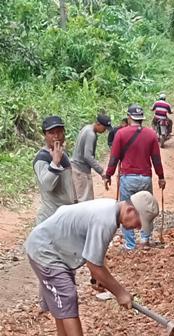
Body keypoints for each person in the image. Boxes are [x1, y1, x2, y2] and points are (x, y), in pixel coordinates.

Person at [25, 190, 159, 336]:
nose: (138, 227)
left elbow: (95, 255)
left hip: (56, 249)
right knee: (67, 297)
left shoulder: (110, 210)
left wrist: (97, 277)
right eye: (139, 222)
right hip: (45, 249)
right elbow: (94, 265)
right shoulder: (105, 220)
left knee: (63, 304)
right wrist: (120, 293)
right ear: (130, 210)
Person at [105, 104, 166, 250]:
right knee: (145, 208)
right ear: (142, 119)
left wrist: (108, 175)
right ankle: (145, 239)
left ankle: (130, 244)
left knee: (127, 210)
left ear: (129, 117)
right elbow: (156, 159)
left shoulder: (121, 134)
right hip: (145, 177)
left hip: (128, 177)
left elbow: (114, 158)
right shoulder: (151, 134)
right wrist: (161, 177)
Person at [33, 116, 76, 224]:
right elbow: (47, 185)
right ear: (45, 135)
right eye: (51, 133)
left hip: (66, 215)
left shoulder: (63, 155)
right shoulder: (42, 158)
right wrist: (55, 163)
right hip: (50, 218)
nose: (56, 136)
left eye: (59, 132)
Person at [71, 114, 111, 202]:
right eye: (104, 128)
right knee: (85, 201)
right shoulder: (91, 134)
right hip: (80, 171)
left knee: (77, 198)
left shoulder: (87, 128)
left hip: (75, 168)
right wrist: (101, 171)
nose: (104, 131)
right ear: (98, 124)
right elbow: (88, 156)